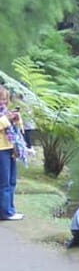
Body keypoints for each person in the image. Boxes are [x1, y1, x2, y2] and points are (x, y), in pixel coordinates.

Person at [0, 86, 26, 221]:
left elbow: (19, 130)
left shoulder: (5, 112)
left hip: (11, 148)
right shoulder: (3, 115)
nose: (3, 102)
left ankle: (10, 209)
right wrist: (6, 119)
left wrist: (16, 119)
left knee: (11, 180)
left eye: (5, 99)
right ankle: (5, 212)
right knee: (3, 182)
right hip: (1, 150)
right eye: (1, 99)